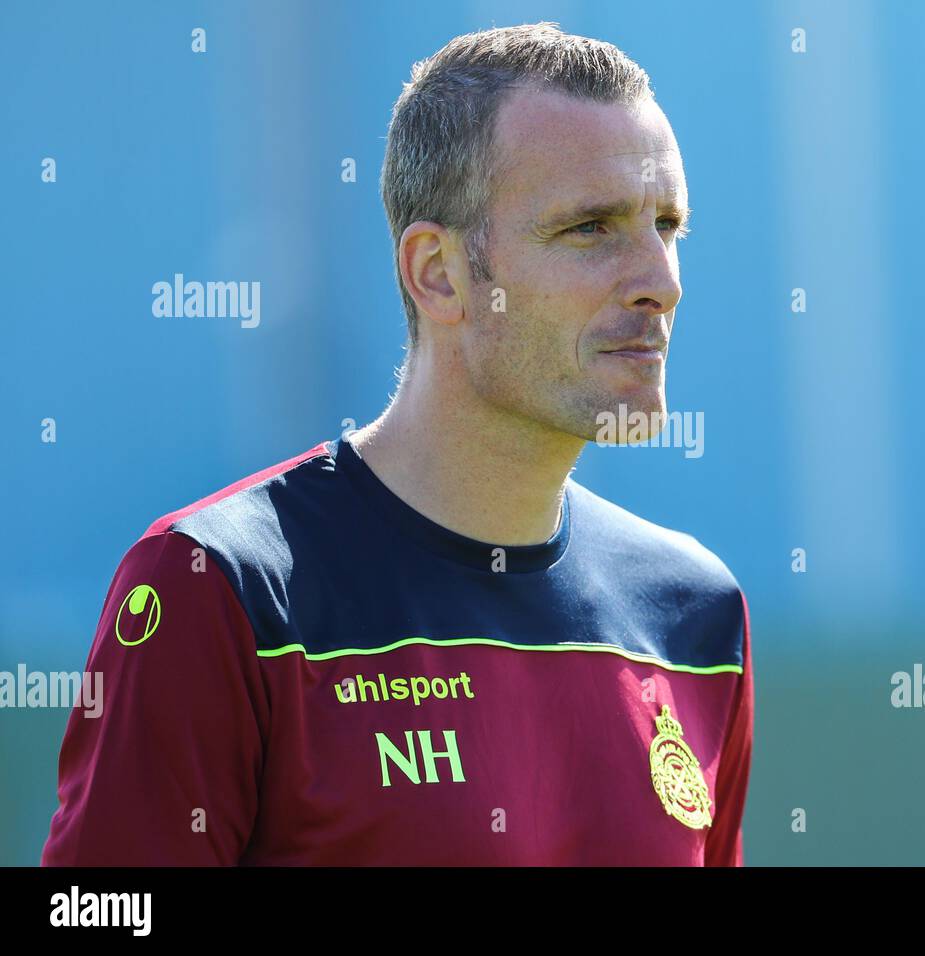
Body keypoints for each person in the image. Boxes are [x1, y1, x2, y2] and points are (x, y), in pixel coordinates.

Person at [42, 21, 753, 866]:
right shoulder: (220, 589)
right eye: (591, 227)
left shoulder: (694, 615)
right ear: (439, 274)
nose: (660, 280)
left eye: (667, 225)